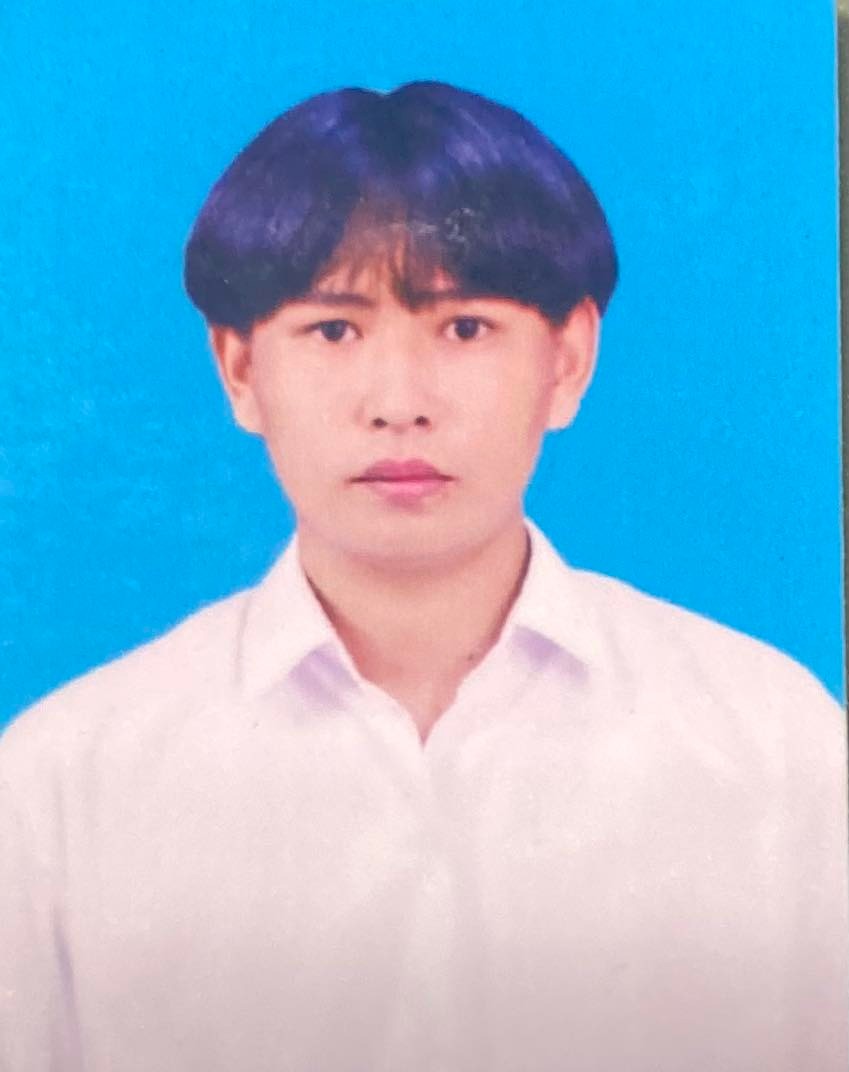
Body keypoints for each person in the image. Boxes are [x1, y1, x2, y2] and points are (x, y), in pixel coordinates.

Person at [0, 81, 845, 1072]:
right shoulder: (65, 781)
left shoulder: (771, 742)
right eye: (333, 330)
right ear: (238, 369)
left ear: (568, 359)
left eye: (464, 328)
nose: (399, 403)